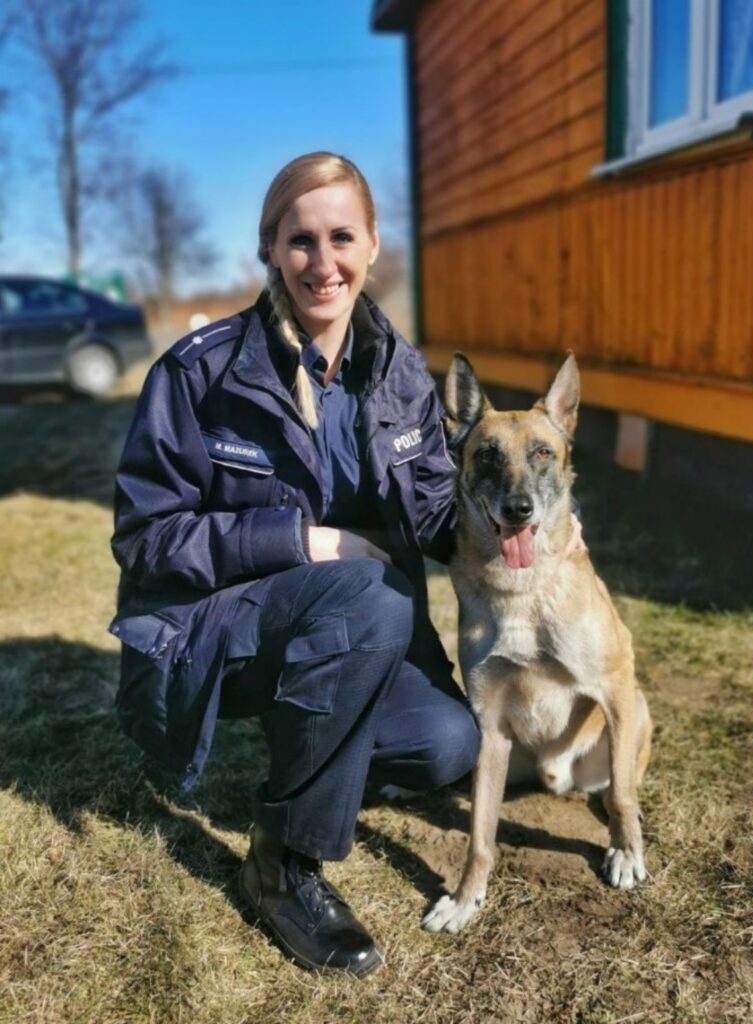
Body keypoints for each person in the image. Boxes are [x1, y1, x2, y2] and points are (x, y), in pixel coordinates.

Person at [109, 152, 482, 977]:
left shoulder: (399, 374)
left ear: (373, 245)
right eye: (300, 240)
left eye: (340, 237)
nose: (323, 262)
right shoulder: (201, 373)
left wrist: (515, 531)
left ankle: (310, 753)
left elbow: (429, 513)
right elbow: (146, 537)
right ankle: (283, 861)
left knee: (448, 744)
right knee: (371, 595)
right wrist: (302, 541)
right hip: (219, 636)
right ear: (271, 250)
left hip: (344, 634)